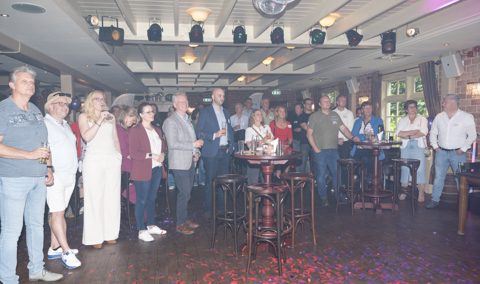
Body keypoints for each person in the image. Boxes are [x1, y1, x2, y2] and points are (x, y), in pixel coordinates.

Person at [0, 66, 63, 283]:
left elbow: (43, 145)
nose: (30, 84)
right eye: (24, 81)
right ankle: (8, 278)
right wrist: (29, 155)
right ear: (12, 85)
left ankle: (37, 269)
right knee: (11, 233)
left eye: (32, 82)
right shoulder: (3, 110)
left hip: (38, 178)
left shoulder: (36, 110)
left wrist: (48, 167)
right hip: (13, 179)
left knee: (36, 227)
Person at [78, 90, 122, 249]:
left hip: (112, 159)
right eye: (97, 99)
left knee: (112, 197)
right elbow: (87, 137)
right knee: (94, 198)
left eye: (103, 99)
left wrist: (119, 157)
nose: (101, 102)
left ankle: (110, 234)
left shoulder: (111, 117)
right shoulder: (84, 116)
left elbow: (115, 138)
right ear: (90, 101)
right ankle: (95, 236)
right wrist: (99, 120)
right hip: (94, 160)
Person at [44, 92, 81, 269]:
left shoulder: (65, 125)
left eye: (67, 104)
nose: (65, 107)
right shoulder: (44, 124)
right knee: (58, 213)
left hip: (69, 174)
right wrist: (47, 169)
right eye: (61, 104)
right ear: (50, 106)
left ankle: (54, 247)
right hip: (55, 174)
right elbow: (43, 148)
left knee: (58, 212)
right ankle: (66, 251)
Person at [307, 95, 359, 206]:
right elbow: (309, 134)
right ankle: (323, 197)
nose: (327, 103)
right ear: (320, 104)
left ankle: (338, 196)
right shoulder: (314, 116)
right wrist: (316, 149)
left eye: (328, 101)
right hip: (320, 150)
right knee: (321, 174)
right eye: (324, 101)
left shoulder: (334, 115)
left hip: (334, 150)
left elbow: (344, 128)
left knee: (337, 174)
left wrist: (352, 137)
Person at [163, 93, 203, 234]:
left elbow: (192, 139)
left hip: (189, 161)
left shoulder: (187, 119)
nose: (185, 103)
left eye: (186, 101)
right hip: (179, 163)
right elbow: (173, 144)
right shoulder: (170, 121)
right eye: (181, 101)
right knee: (184, 193)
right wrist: (194, 144)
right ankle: (180, 223)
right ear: (174, 105)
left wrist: (195, 151)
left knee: (187, 193)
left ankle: (184, 219)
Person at [427, 94, 476, 209]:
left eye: (445, 102)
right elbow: (433, 133)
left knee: (460, 178)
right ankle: (435, 200)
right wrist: (436, 147)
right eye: (444, 102)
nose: (443, 104)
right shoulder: (439, 117)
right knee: (438, 177)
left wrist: (463, 149)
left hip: (458, 154)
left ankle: (463, 202)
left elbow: (472, 135)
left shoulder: (466, 117)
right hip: (441, 152)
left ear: (454, 104)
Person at [129, 102, 167, 241]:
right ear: (140, 115)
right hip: (142, 169)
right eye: (148, 112)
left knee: (152, 199)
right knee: (142, 200)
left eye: (152, 111)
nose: (151, 114)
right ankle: (141, 230)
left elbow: (161, 147)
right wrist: (152, 155)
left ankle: (151, 225)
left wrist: (162, 154)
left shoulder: (157, 130)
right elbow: (133, 153)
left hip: (156, 168)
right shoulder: (135, 130)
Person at [196, 88, 235, 222]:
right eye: (219, 95)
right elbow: (199, 133)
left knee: (223, 183)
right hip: (211, 151)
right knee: (210, 183)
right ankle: (208, 210)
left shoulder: (226, 112)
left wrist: (231, 147)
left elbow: (230, 131)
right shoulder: (205, 112)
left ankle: (222, 209)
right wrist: (214, 135)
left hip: (225, 152)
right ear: (213, 97)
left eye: (223, 96)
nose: (222, 98)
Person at [395, 100, 429, 202]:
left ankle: (421, 193)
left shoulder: (422, 119)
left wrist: (408, 135)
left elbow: (423, 132)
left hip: (418, 145)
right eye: (410, 107)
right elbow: (398, 133)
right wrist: (414, 132)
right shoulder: (402, 120)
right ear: (406, 109)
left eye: (414, 107)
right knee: (405, 168)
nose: (413, 109)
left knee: (420, 168)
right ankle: (403, 192)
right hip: (405, 146)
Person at [351, 101, 385, 183]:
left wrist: (363, 137)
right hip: (358, 149)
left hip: (372, 149)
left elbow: (381, 134)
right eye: (366, 108)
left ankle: (370, 177)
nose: (368, 110)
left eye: (370, 108)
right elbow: (354, 134)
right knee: (351, 163)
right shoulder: (358, 122)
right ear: (362, 110)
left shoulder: (378, 120)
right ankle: (352, 185)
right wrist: (367, 137)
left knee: (366, 158)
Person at [245, 109, 274, 184]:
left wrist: (258, 143)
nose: (260, 116)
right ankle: (252, 194)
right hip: (254, 155)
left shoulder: (266, 127)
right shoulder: (249, 129)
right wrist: (262, 141)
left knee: (266, 177)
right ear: (253, 117)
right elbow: (249, 145)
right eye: (258, 114)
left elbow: (272, 140)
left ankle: (266, 194)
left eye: (261, 114)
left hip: (266, 155)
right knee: (253, 179)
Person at [116, 106, 137, 201]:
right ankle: (128, 194)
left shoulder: (125, 129)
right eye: (133, 120)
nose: (134, 122)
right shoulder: (119, 129)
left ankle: (128, 193)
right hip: (122, 160)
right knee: (143, 173)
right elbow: (124, 151)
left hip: (127, 159)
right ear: (127, 117)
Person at [333, 95, 355, 186]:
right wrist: (336, 139)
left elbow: (350, 128)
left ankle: (346, 185)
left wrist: (343, 138)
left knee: (344, 165)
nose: (343, 101)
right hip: (334, 142)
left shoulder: (349, 113)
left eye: (345, 100)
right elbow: (331, 128)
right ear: (337, 102)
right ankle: (337, 185)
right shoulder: (333, 113)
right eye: (341, 100)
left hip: (345, 142)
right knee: (334, 164)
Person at [270, 105, 293, 178]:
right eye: (280, 111)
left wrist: (288, 144)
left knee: (292, 153)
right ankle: (278, 169)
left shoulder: (288, 123)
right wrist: (276, 145)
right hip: (276, 145)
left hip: (286, 144)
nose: (283, 113)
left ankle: (287, 169)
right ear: (276, 113)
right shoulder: (272, 123)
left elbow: (290, 137)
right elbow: (270, 137)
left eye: (284, 111)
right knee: (278, 153)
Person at [190, 109, 205, 186]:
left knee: (201, 165)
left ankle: (202, 180)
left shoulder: (202, 123)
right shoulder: (191, 123)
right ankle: (194, 181)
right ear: (195, 114)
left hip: (201, 145)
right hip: (194, 145)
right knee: (194, 164)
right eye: (199, 113)